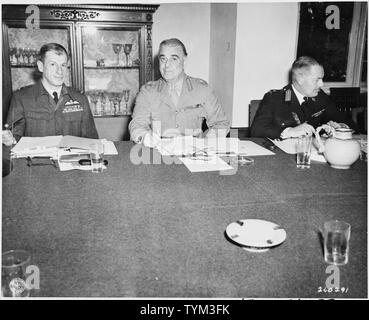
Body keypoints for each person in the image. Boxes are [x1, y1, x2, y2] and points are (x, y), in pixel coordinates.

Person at [129, 38, 230, 147]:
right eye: (163, 59)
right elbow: (137, 124)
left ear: (184, 60)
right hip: (157, 153)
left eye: (174, 59)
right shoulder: (147, 92)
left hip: (194, 154)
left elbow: (221, 124)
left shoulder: (202, 90)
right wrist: (144, 137)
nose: (167, 65)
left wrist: (204, 142)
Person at [3, 43, 98, 146]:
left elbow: (92, 141)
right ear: (40, 66)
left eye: (63, 65)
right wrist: (9, 140)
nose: (59, 71)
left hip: (71, 161)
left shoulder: (80, 99)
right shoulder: (21, 98)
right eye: (53, 64)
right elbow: (13, 140)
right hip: (36, 161)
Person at [250, 56, 358, 139]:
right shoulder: (275, 98)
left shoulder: (321, 97)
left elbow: (349, 123)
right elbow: (257, 130)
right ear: (300, 79)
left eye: (322, 79)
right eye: (317, 80)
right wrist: (290, 131)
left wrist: (339, 128)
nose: (321, 84)